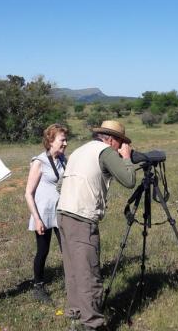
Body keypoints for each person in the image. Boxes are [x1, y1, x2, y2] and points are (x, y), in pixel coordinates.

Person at [57, 120, 136, 331]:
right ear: (111, 139)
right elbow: (129, 180)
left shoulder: (80, 150)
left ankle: (76, 314)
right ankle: (92, 324)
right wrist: (127, 158)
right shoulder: (105, 151)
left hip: (63, 212)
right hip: (81, 217)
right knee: (88, 273)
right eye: (120, 143)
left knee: (73, 268)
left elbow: (60, 184)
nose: (120, 148)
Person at [25, 123, 68, 302]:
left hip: (61, 211)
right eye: (62, 139)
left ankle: (72, 283)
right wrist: (36, 219)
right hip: (43, 213)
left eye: (66, 139)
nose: (66, 143)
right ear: (50, 141)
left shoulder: (63, 160)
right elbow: (28, 192)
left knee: (67, 249)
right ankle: (38, 286)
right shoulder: (39, 162)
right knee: (43, 251)